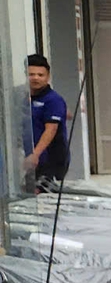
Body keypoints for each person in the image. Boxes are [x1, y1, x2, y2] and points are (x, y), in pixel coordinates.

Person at [23, 54, 69, 190]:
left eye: (40, 75)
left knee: (42, 195)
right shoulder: (19, 96)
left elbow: (51, 129)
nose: (35, 78)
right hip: (25, 161)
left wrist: (35, 154)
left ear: (47, 76)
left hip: (49, 159)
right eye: (31, 74)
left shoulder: (53, 100)